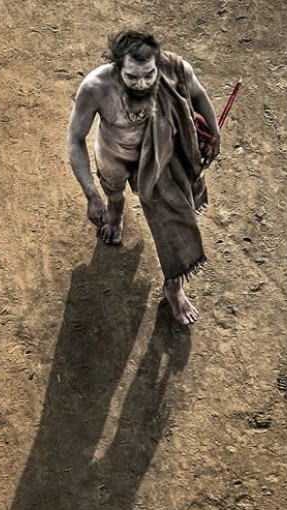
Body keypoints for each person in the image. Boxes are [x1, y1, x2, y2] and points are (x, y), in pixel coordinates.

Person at [67, 30, 221, 325]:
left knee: (177, 220)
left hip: (162, 157)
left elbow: (199, 95)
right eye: (132, 77)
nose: (142, 84)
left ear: (156, 64)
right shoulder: (95, 87)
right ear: (116, 67)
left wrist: (215, 134)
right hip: (114, 154)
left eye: (149, 75)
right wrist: (91, 195)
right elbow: (75, 140)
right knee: (112, 191)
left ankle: (174, 288)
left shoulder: (174, 70)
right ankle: (115, 211)